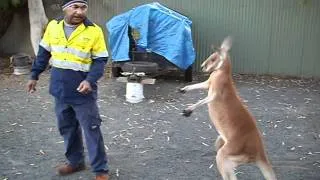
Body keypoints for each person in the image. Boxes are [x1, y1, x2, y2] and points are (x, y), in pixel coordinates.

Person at [26, 0, 109, 179]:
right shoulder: (53, 27)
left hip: (83, 91)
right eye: (75, 7)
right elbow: (43, 53)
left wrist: (90, 80)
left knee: (92, 129)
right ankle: (75, 162)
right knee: (67, 127)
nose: (79, 12)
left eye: (83, 7)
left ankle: (100, 169)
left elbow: (100, 60)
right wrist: (34, 75)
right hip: (60, 89)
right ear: (64, 9)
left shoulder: (94, 30)